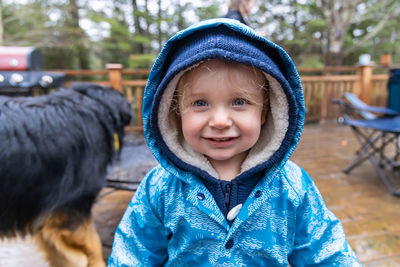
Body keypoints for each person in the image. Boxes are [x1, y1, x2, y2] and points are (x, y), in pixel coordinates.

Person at [108, 18, 360, 266]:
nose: (219, 121)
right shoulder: (160, 187)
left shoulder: (292, 187)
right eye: (200, 103)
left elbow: (329, 253)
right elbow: (131, 255)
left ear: (265, 112)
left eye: (239, 102)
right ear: (175, 113)